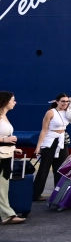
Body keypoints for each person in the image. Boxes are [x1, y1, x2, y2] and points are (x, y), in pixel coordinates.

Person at [32, 93, 71, 202]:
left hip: (61, 141)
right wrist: (38, 146)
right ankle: (35, 194)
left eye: (67, 101)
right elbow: (44, 130)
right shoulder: (50, 112)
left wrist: (68, 100)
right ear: (57, 101)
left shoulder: (68, 110)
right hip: (50, 141)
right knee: (44, 168)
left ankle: (59, 193)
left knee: (62, 168)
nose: (65, 103)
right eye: (62, 101)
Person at [0, 92, 25, 224]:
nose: (15, 102)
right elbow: (4, 138)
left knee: (3, 186)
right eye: (13, 100)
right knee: (1, 186)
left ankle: (6, 214)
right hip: (1, 155)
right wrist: (5, 140)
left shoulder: (4, 116)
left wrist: (13, 148)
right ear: (5, 101)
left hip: (6, 154)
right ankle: (7, 215)